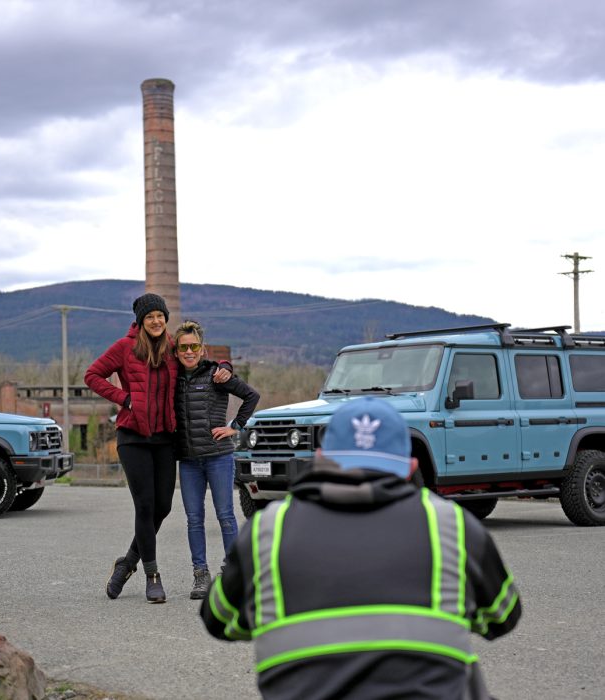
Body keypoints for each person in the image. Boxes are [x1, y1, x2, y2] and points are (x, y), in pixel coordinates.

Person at [200, 397, 521, 699]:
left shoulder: (267, 529)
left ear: (321, 458)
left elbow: (218, 618)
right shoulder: (451, 524)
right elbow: (503, 616)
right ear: (410, 467)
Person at [84, 293, 230, 604]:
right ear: (140, 321)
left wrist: (225, 366)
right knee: (145, 506)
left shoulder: (171, 349)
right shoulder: (124, 348)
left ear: (165, 318)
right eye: (149, 316)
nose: (156, 321)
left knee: (163, 507)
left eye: (160, 316)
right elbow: (92, 375)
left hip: (164, 438)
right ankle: (152, 575)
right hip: (133, 437)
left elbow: (196, 360)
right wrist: (124, 398)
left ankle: (127, 562)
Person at [173, 320, 260, 600]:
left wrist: (235, 426)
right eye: (183, 347)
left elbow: (251, 396)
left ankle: (233, 573)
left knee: (225, 516)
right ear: (176, 351)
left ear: (202, 349)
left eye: (194, 346)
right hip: (188, 461)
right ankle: (200, 574)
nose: (189, 352)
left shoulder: (216, 375)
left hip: (218, 457)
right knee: (194, 519)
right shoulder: (173, 378)